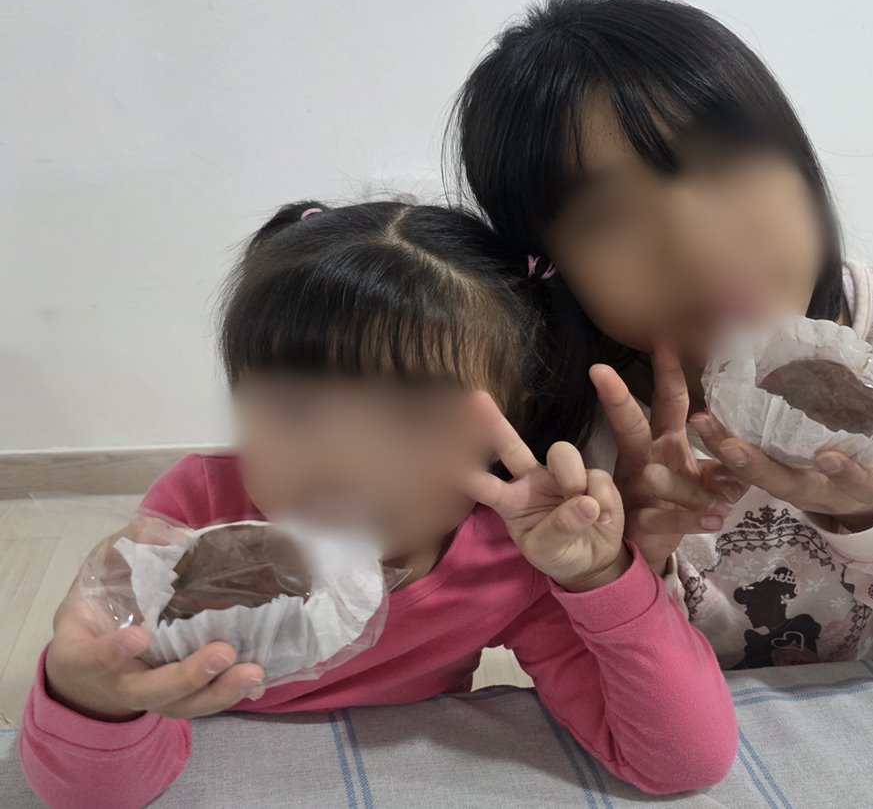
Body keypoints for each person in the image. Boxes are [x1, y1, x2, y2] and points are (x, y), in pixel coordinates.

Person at [451, 0, 873, 668]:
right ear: (549, 265)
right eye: (608, 216)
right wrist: (617, 570)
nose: (698, 245)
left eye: (724, 166)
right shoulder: (556, 422)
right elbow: (560, 673)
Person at [19, 200, 737, 808]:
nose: (343, 462)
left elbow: (680, 763)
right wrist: (92, 695)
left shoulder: (510, 559)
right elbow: (95, 793)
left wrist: (599, 578)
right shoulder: (199, 507)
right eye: (293, 407)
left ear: (510, 422)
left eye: (413, 416)